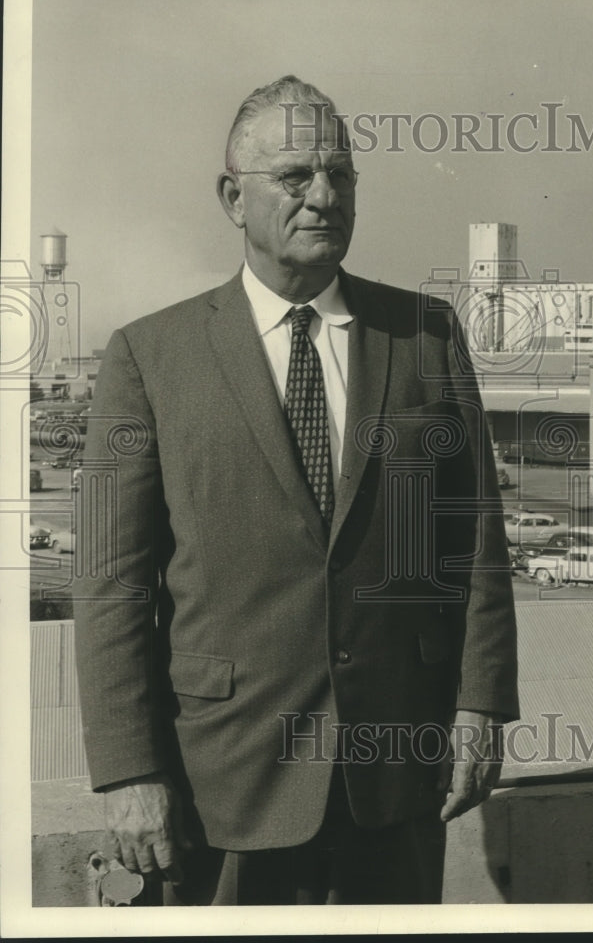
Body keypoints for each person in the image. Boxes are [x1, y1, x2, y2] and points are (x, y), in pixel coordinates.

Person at [73, 76, 519, 905]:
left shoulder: (426, 336)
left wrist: (481, 706)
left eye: (341, 175)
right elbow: (112, 584)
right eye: (295, 176)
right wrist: (129, 770)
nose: (324, 196)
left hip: (398, 778)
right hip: (224, 784)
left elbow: (476, 544)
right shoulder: (148, 357)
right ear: (232, 198)